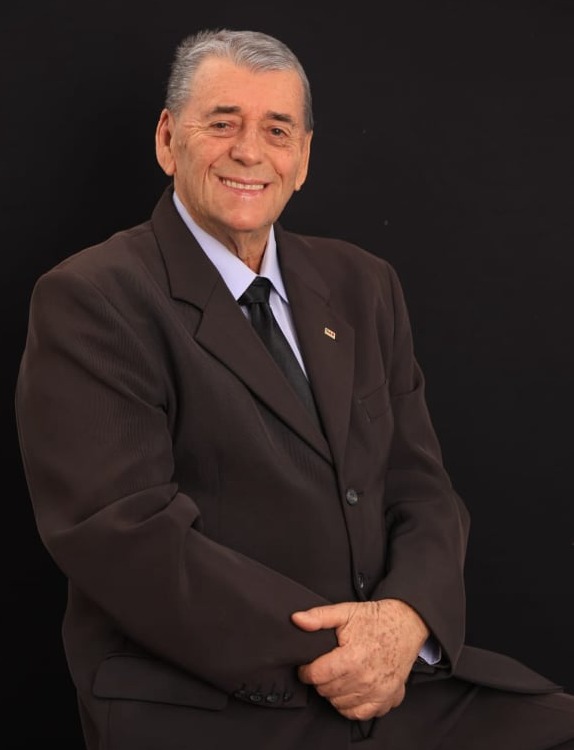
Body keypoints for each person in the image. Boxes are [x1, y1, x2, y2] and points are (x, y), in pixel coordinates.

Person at [15, 28, 574, 750]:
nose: (250, 152)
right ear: (167, 140)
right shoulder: (94, 298)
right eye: (223, 124)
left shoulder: (364, 284)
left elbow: (421, 487)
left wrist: (406, 620)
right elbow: (122, 536)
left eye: (277, 130)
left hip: (396, 678)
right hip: (215, 701)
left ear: (303, 158)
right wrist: (345, 653)